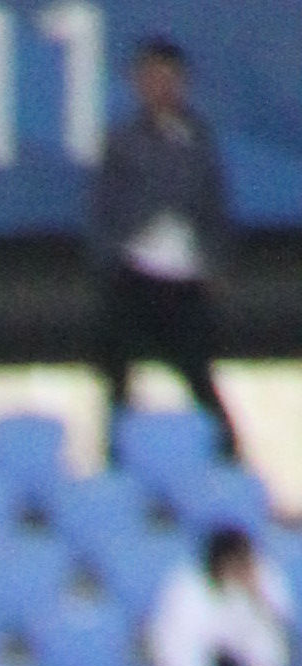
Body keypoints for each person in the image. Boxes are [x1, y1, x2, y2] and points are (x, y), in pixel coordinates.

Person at [91, 35, 241, 467]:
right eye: (149, 78)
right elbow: (102, 205)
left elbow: (214, 205)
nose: (157, 87)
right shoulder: (123, 140)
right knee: (118, 377)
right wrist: (110, 259)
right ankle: (117, 464)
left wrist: (215, 264)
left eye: (166, 78)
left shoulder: (198, 138)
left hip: (184, 277)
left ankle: (227, 460)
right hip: (134, 273)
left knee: (198, 373)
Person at [145, 521, 290, 666]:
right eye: (236, 562)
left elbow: (273, 628)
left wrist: (256, 596)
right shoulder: (188, 588)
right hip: (196, 664)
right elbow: (182, 647)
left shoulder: (262, 575)